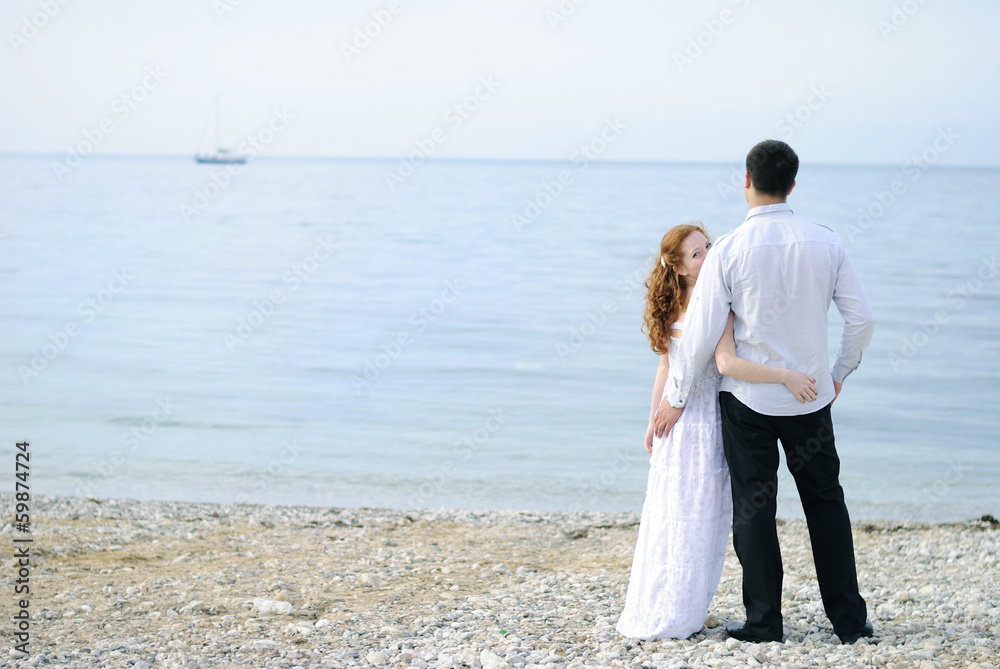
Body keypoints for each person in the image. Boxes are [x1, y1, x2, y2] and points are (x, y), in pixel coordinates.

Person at [655, 140, 876, 644]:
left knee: (755, 510)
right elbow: (862, 320)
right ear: (793, 184)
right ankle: (848, 623)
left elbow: (705, 333)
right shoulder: (825, 241)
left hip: (747, 404)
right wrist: (840, 372)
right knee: (826, 504)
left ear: (747, 180)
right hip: (811, 399)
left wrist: (677, 396)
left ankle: (764, 624)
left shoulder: (728, 249)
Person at [616, 223, 820, 641]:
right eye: (696, 254)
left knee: (700, 520)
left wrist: (783, 376)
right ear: (676, 266)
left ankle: (687, 607)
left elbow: (721, 363)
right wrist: (652, 419)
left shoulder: (719, 300)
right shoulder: (673, 304)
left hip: (709, 420)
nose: (708, 256)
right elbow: (666, 366)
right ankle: (667, 606)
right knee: (672, 516)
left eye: (708, 247)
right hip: (682, 422)